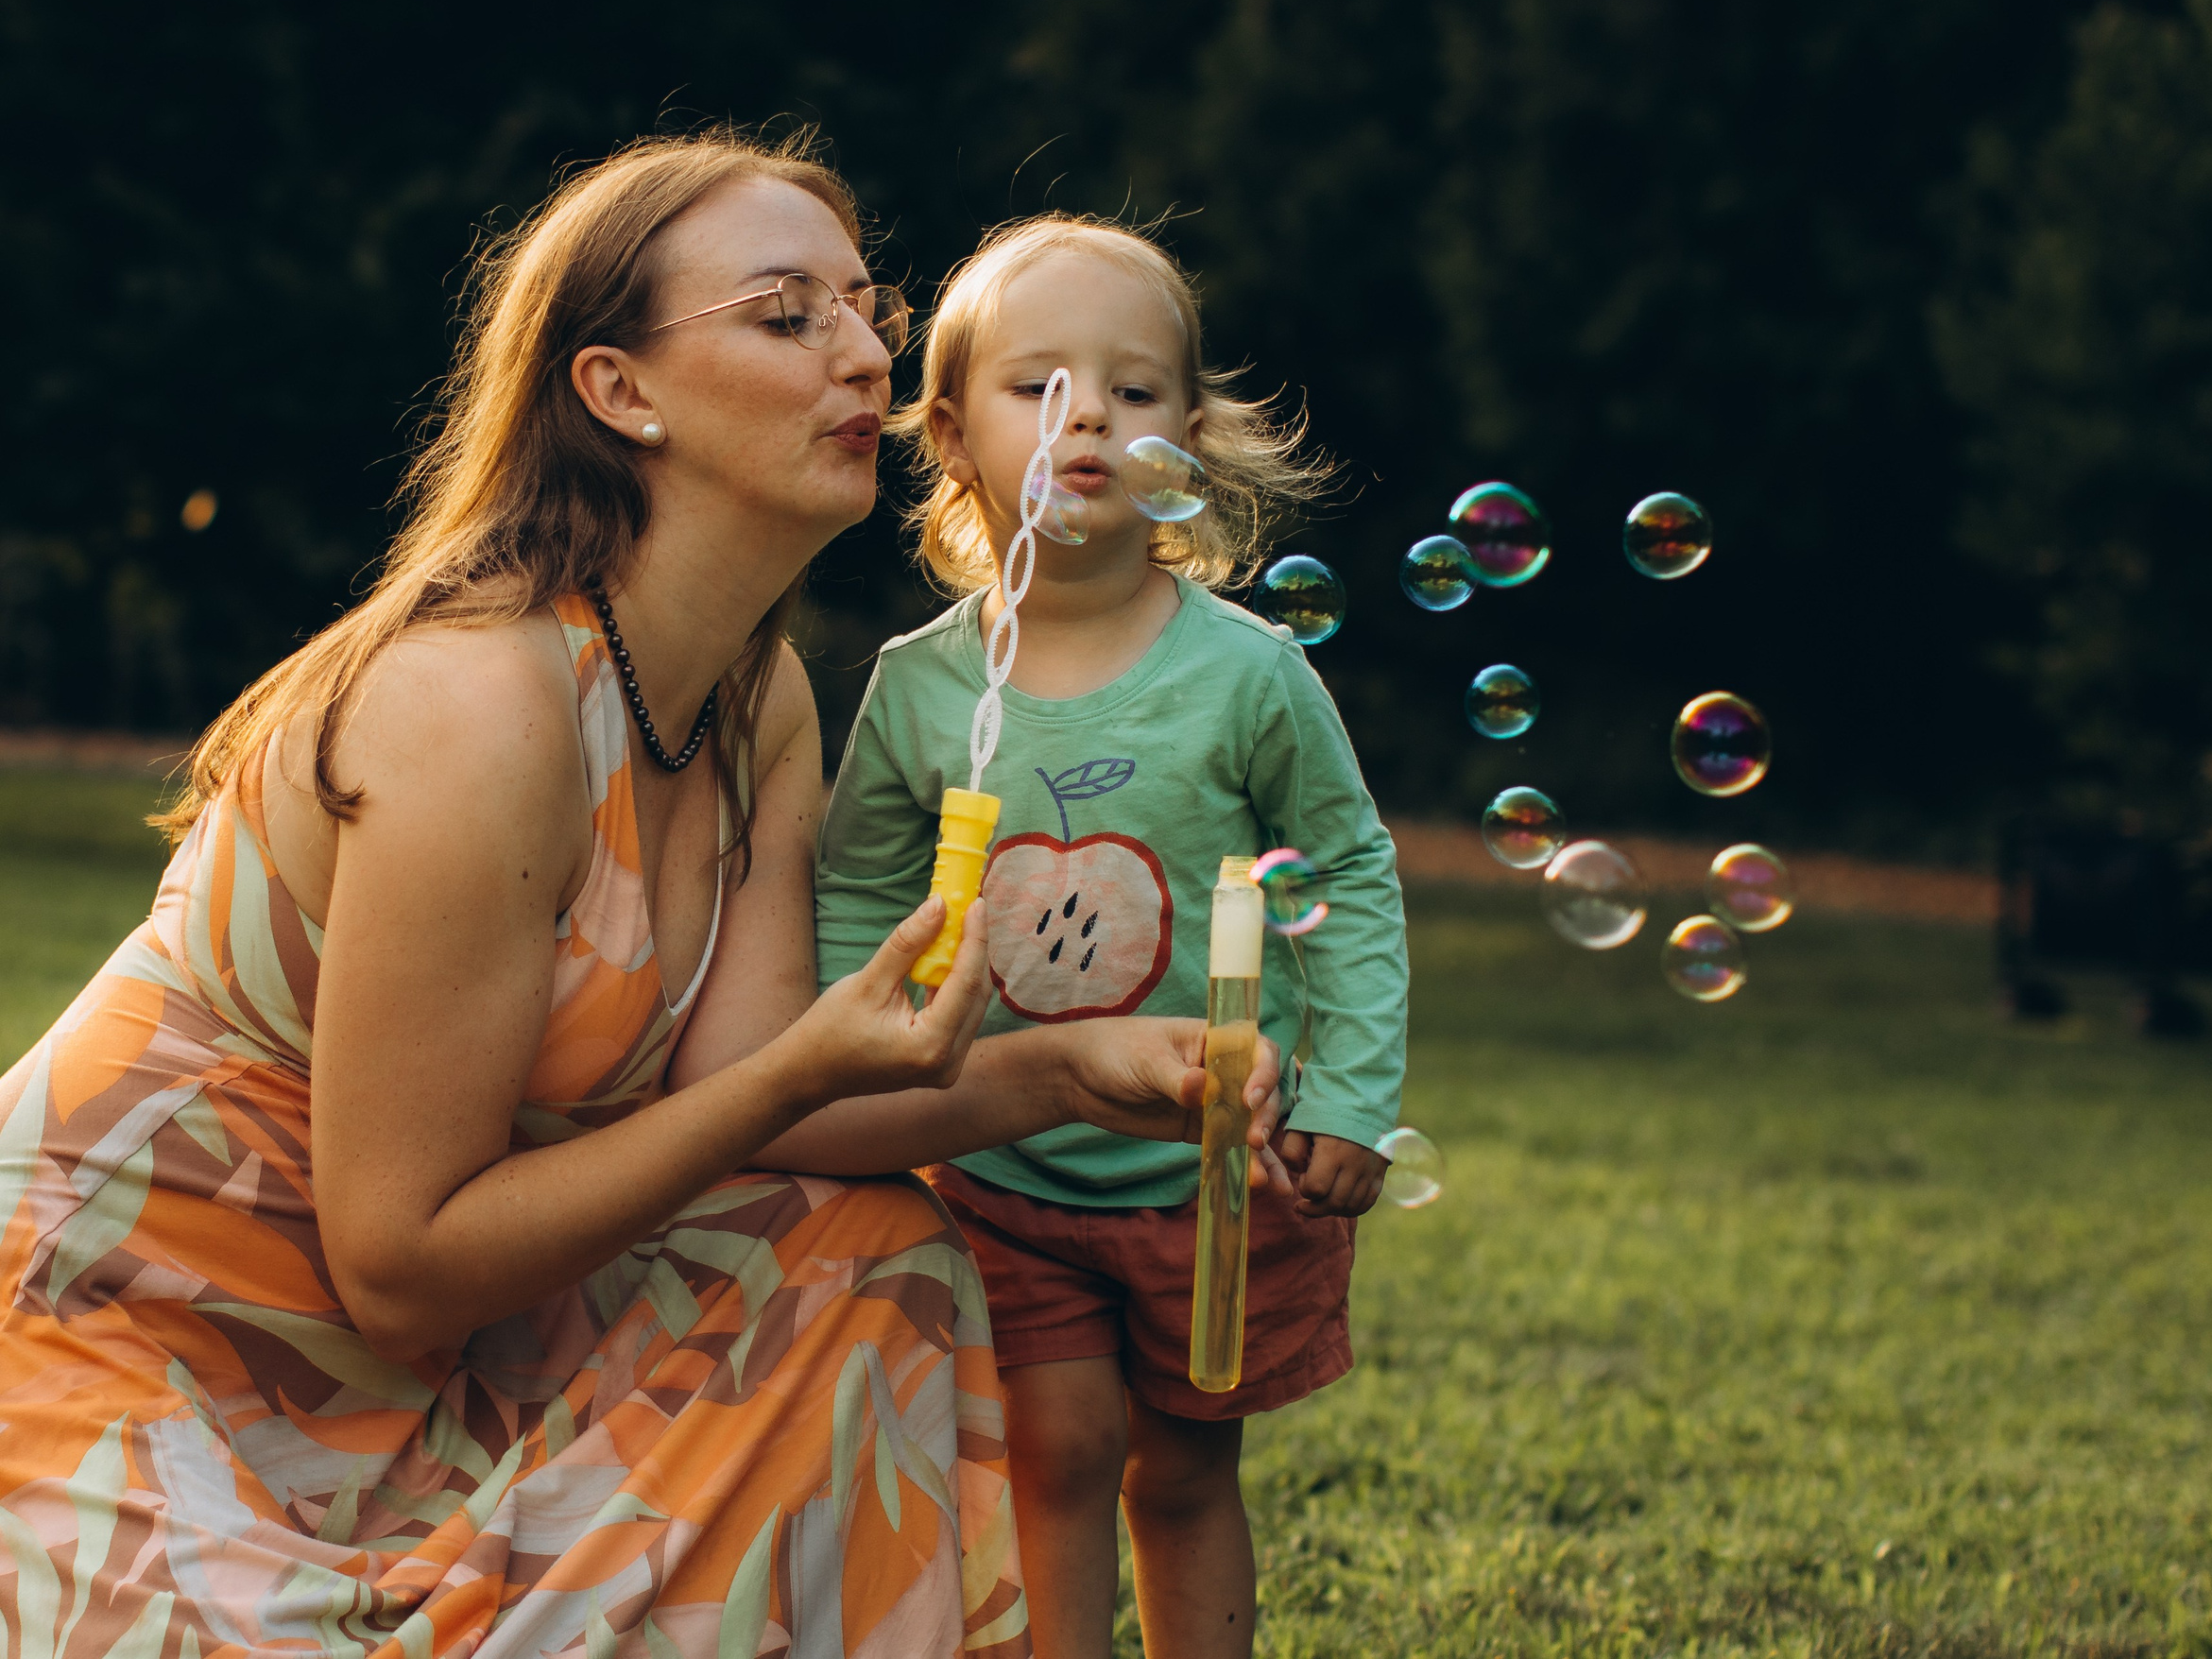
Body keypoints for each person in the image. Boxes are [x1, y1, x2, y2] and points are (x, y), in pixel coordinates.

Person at [0, 134, 1288, 1659]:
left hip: (409, 1377)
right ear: (620, 390)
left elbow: (772, 1114)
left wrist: (1062, 1069)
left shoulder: (759, 703)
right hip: (124, 1356)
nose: (869, 354)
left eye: (866, 308)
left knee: (867, 1248)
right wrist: (801, 1066)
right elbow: (403, 1263)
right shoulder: (478, 706)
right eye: (786, 314)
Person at [815, 214, 1411, 1659]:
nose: (1090, 416)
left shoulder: (1250, 676)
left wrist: (1347, 1092)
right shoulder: (919, 689)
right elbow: (853, 895)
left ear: (1191, 436)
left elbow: (1348, 871)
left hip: (1212, 1169)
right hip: (1002, 1164)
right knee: (1059, 1441)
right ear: (950, 434)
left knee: (1187, 1464)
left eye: (1136, 392)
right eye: (1040, 387)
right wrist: (863, 1068)